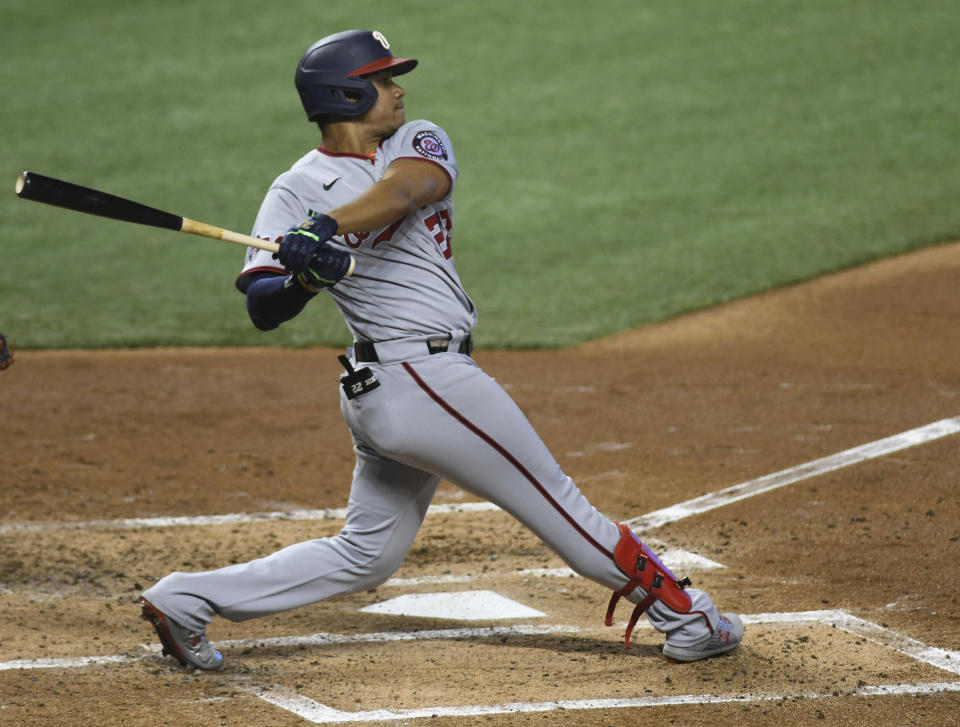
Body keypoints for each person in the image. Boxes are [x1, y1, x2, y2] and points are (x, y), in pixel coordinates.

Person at [139, 29, 743, 671]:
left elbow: (404, 192)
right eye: (382, 80)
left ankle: (185, 599)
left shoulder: (414, 139)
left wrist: (325, 228)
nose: (398, 90)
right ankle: (691, 617)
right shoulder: (291, 189)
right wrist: (304, 278)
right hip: (418, 379)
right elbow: (263, 306)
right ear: (345, 94)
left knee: (367, 555)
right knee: (560, 503)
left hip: (404, 388)